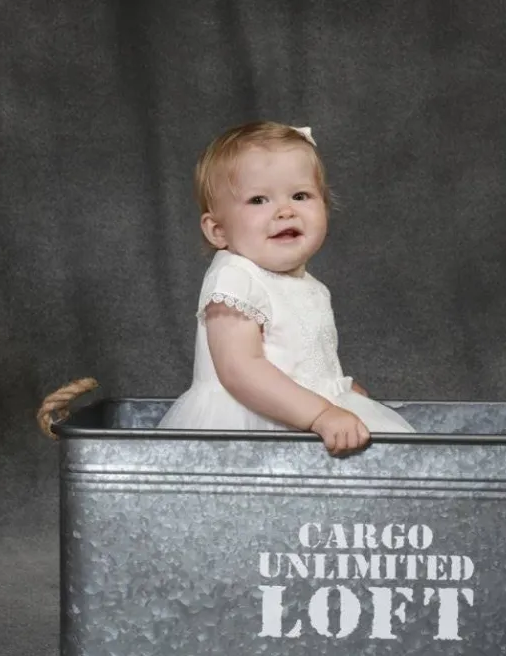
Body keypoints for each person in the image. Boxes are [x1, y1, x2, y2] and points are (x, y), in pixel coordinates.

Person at [157, 120, 415, 455]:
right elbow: (240, 369)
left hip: (300, 418)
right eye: (258, 199)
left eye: (300, 195)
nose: (285, 211)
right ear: (218, 230)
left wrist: (335, 391)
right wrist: (321, 411)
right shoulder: (235, 277)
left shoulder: (311, 287)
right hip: (249, 426)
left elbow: (301, 360)